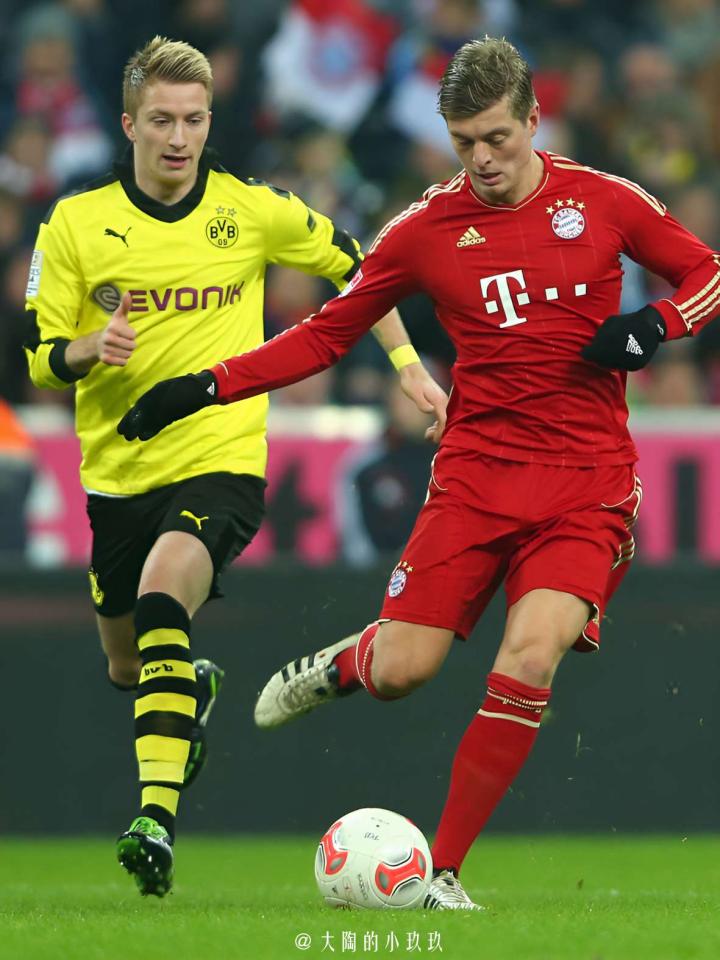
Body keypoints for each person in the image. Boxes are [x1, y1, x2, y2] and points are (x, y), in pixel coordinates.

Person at [117, 37, 720, 909]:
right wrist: (204, 386)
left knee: (532, 654)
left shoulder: (605, 200)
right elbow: (325, 334)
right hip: (475, 476)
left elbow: (707, 270)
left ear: (533, 120)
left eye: (498, 138)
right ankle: (350, 660)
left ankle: (441, 872)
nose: (483, 159)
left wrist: (657, 325)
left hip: (586, 482)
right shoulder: (423, 231)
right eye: (465, 142)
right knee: (405, 671)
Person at [23, 36, 447, 898]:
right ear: (129, 125)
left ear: (210, 120)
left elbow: (362, 269)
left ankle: (154, 822)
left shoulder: (250, 210)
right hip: (116, 476)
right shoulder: (74, 225)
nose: (179, 138)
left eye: (194, 120)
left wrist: (407, 365)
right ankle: (191, 692)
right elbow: (37, 357)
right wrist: (85, 349)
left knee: (161, 597)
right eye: (161, 121)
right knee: (130, 665)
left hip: (221, 461)